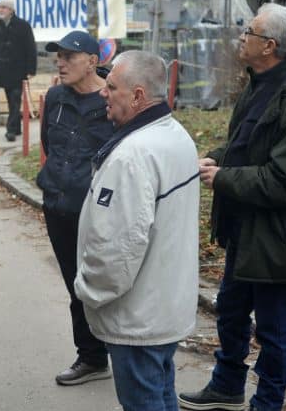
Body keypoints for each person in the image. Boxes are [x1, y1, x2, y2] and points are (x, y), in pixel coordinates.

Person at [179, 4, 286, 411]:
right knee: (231, 311)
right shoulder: (260, 85)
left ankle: (268, 401)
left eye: (249, 31)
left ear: (269, 46)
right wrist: (217, 158)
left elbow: (285, 180)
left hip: (277, 237)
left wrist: (224, 178)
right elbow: (247, 145)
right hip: (247, 229)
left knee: (272, 327)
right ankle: (227, 385)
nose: (241, 36)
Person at [75, 50, 200, 410]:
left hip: (137, 318)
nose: (103, 92)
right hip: (164, 306)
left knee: (144, 401)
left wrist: (89, 291)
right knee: (161, 394)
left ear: (138, 96)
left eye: (112, 86)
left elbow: (116, 247)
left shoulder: (133, 155)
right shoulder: (176, 135)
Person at [36, 31, 114, 386]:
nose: (61, 63)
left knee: (105, 283)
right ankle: (92, 357)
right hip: (58, 205)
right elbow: (47, 143)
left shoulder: (113, 98)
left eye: (69, 56)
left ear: (92, 61)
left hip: (97, 211)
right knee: (76, 285)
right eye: (59, 56)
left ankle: (121, 350)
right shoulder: (55, 97)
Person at [0, 0, 37, 142]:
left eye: (4, 7)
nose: (1, 10)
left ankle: (10, 130)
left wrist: (31, 69)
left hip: (19, 70)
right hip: (5, 69)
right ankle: (17, 128)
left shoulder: (23, 25)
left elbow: (30, 47)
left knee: (15, 98)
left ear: (11, 10)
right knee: (11, 100)